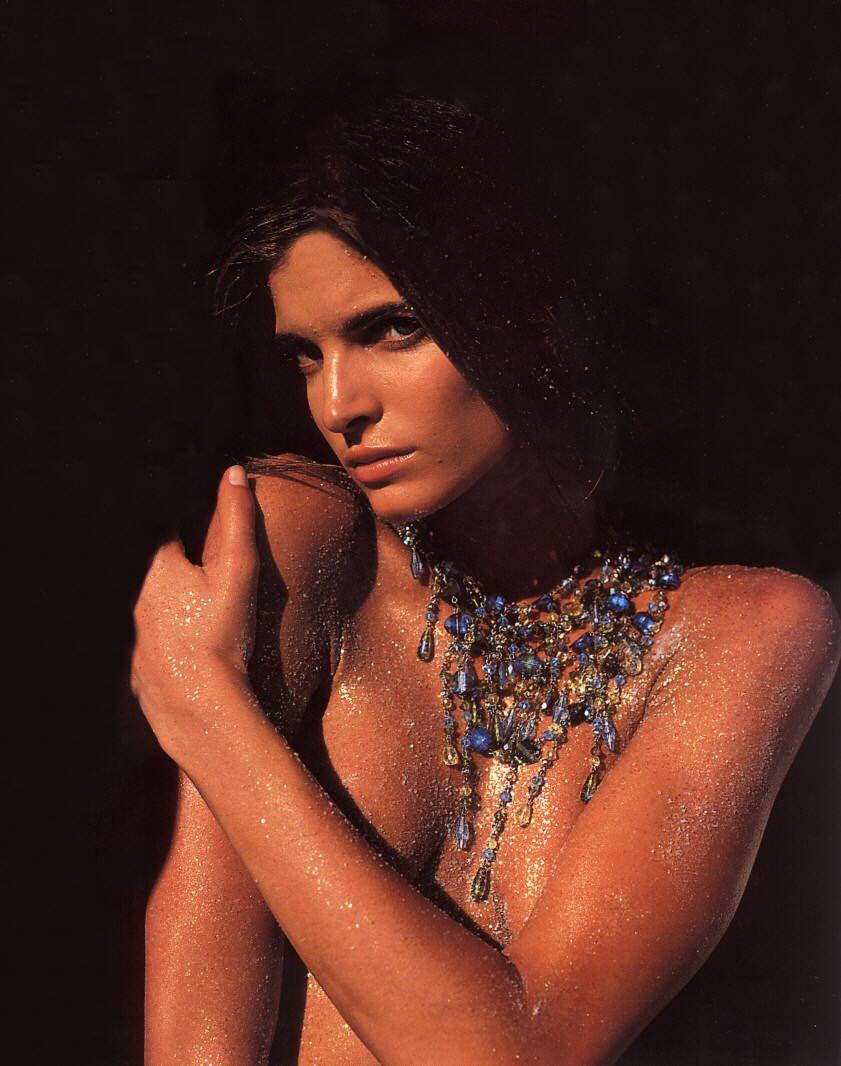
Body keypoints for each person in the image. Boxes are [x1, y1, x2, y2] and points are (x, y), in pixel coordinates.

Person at [133, 96, 840, 1065]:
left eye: (391, 329)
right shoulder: (300, 547)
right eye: (307, 355)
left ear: (538, 314)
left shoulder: (745, 632)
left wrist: (207, 713)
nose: (338, 403)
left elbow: (521, 1054)